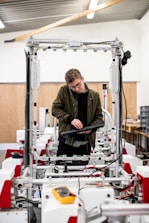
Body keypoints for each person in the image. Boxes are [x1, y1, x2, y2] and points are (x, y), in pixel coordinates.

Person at [52, 68, 103, 157]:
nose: (76, 88)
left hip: (85, 142)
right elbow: (55, 109)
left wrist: (91, 128)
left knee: (84, 170)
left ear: (82, 79)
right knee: (61, 168)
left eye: (78, 84)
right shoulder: (64, 91)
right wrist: (70, 119)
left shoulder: (94, 96)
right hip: (66, 141)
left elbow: (99, 118)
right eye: (72, 87)